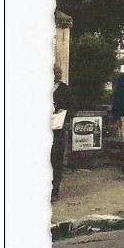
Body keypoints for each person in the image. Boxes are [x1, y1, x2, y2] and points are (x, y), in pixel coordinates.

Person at [51, 64, 74, 202]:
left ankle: (55, 189)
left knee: (56, 158)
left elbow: (72, 107)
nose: (57, 75)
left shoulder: (64, 89)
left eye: (59, 73)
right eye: (54, 73)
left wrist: (64, 115)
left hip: (58, 129)